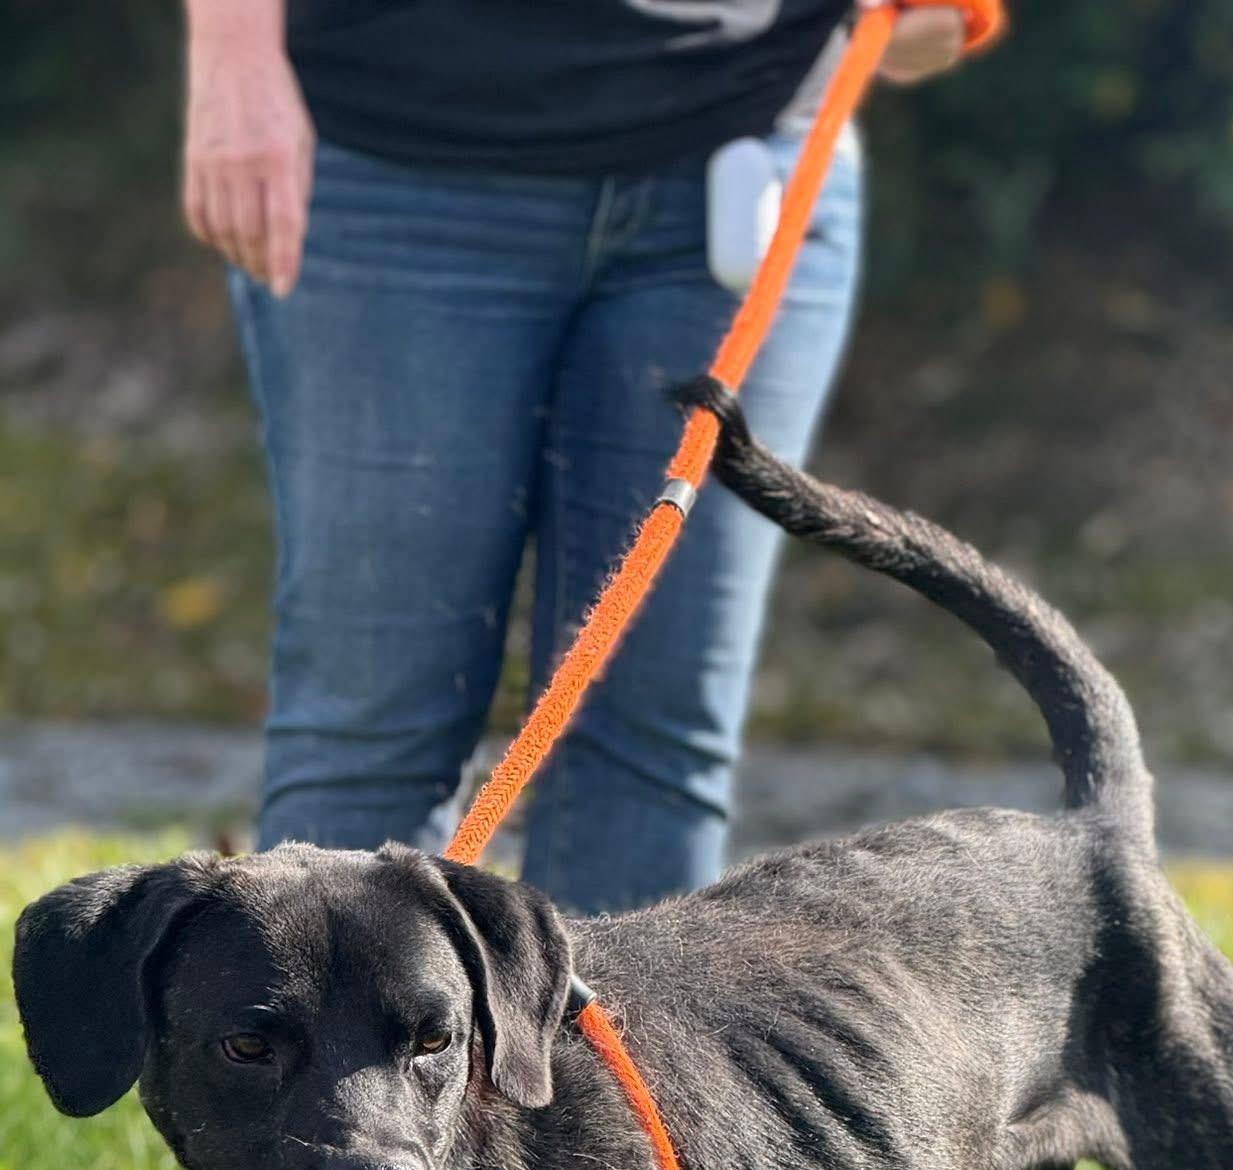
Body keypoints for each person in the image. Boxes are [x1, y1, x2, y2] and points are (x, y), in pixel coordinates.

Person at [182, 0, 996, 913]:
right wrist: (233, 54)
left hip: (749, 156)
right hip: (394, 159)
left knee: (654, 732)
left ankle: (604, 1058)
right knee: (372, 724)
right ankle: (316, 1053)